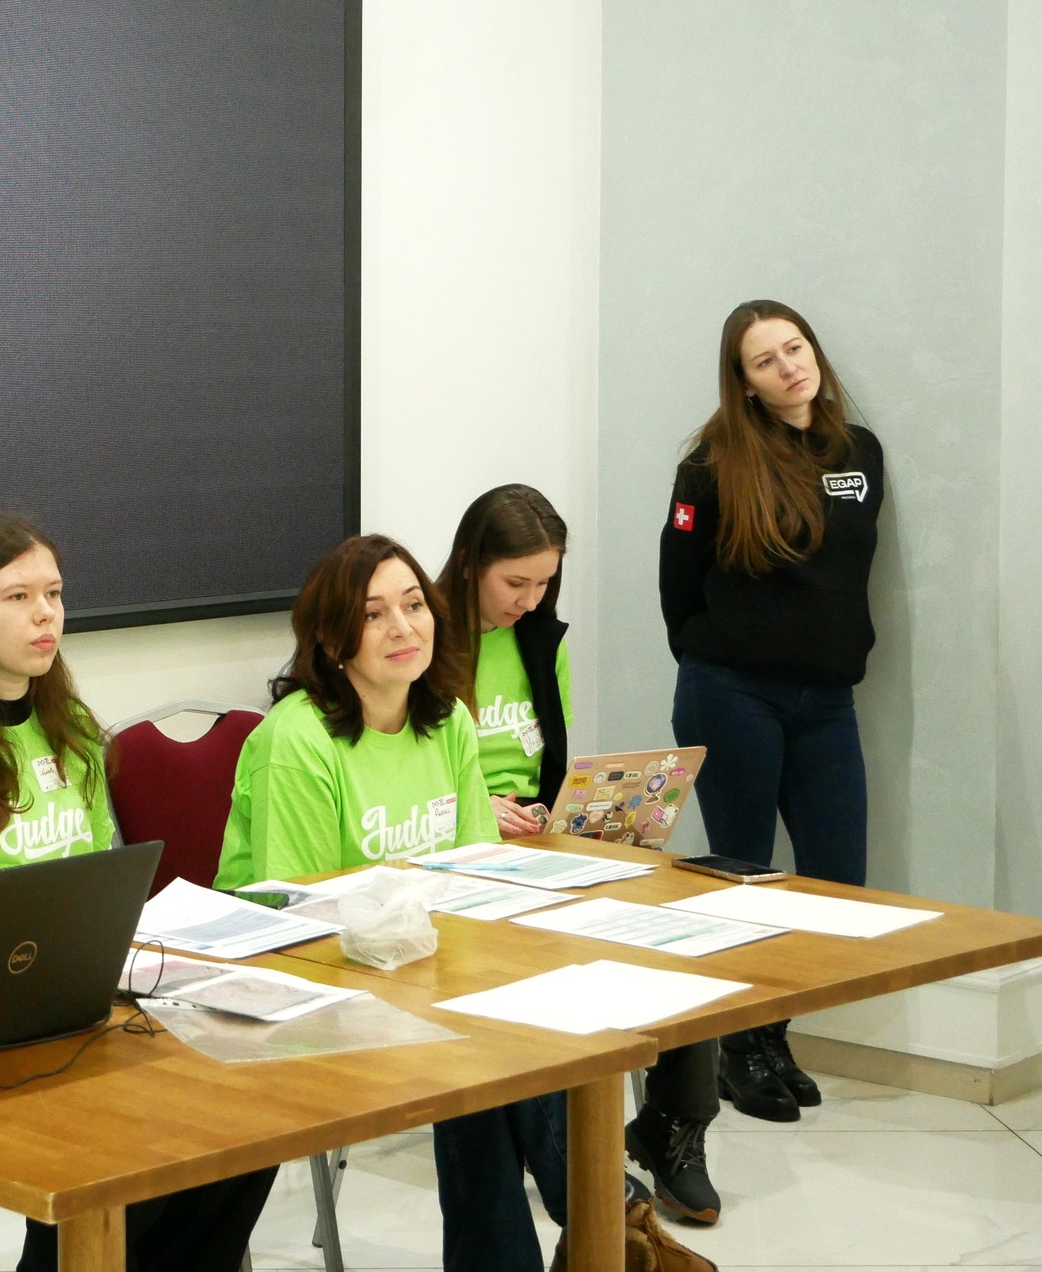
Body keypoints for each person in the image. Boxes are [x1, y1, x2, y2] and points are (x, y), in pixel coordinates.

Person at [215, 533, 713, 1272]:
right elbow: (308, 916)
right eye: (374, 614)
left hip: (424, 963)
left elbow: (480, 874)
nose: (403, 627)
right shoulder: (298, 740)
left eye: (414, 605)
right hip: (299, 979)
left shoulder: (446, 716)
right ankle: (613, 1218)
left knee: (503, 1054)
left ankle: (602, 1224)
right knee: (491, 1053)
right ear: (331, 637)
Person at [0, 513, 275, 1272]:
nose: (46, 614)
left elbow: (97, 888)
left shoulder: (68, 728)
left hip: (73, 1004)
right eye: (17, 597)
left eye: (55, 594)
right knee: (124, 1146)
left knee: (250, 1115)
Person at [440, 486, 724, 1228]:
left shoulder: (540, 639)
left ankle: (674, 1124)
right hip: (459, 856)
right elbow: (413, 773)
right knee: (550, 959)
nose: (530, 600)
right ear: (469, 565)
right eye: (516, 582)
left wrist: (575, 810)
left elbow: (553, 760)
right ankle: (577, 1165)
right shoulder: (423, 641)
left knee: (683, 924)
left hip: (535, 844)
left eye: (545, 583)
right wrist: (477, 810)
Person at [660, 300, 883, 1127]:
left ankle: (771, 1033)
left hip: (827, 702)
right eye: (766, 360)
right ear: (745, 383)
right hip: (733, 694)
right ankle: (741, 1046)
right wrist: (714, 655)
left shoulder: (860, 454)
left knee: (836, 884)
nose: (789, 367)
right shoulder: (710, 467)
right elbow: (677, 583)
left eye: (795, 348)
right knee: (745, 877)